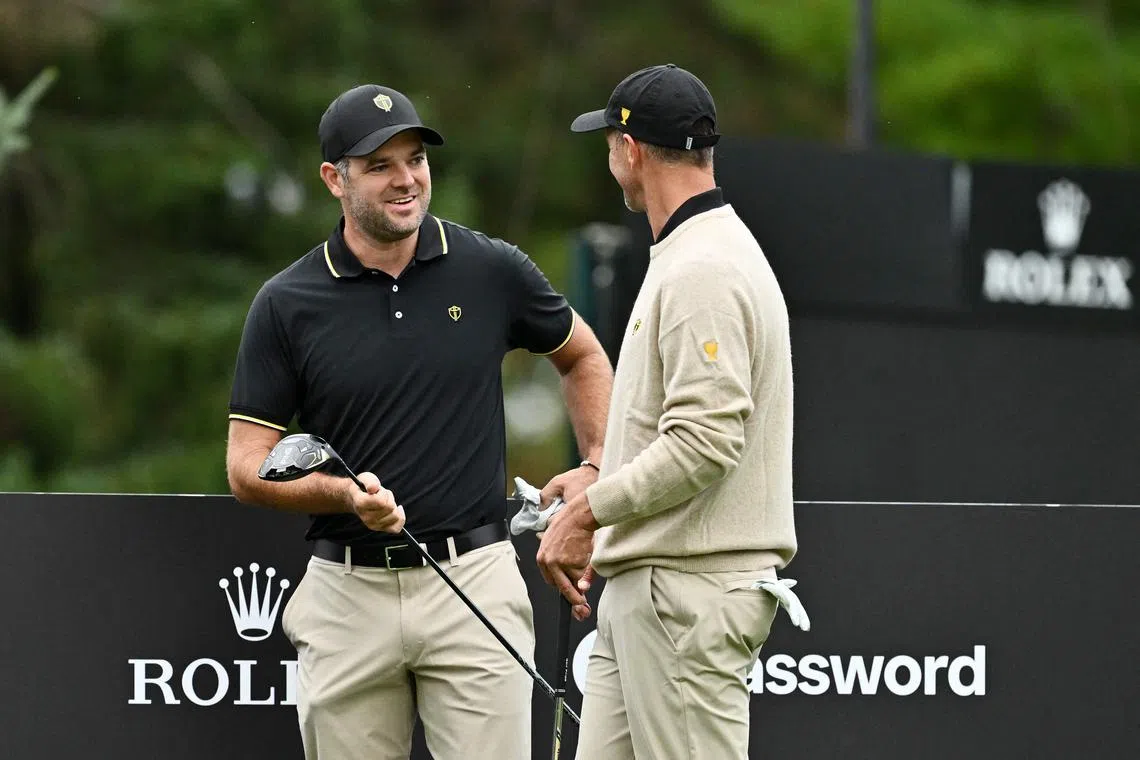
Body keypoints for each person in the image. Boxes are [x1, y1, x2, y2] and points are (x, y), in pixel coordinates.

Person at [225, 83, 613, 760]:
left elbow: (580, 354)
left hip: (475, 580)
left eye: (415, 160)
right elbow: (246, 467)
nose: (406, 180)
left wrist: (596, 467)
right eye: (379, 166)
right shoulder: (287, 303)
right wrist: (344, 495)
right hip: (347, 595)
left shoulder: (489, 268)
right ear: (334, 179)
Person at [536, 64, 798, 759]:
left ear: (632, 151)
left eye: (609, 143)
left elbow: (706, 442)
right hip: (654, 591)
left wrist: (588, 514)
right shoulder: (689, 252)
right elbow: (682, 435)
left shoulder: (702, 268)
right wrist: (601, 480)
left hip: (685, 595)